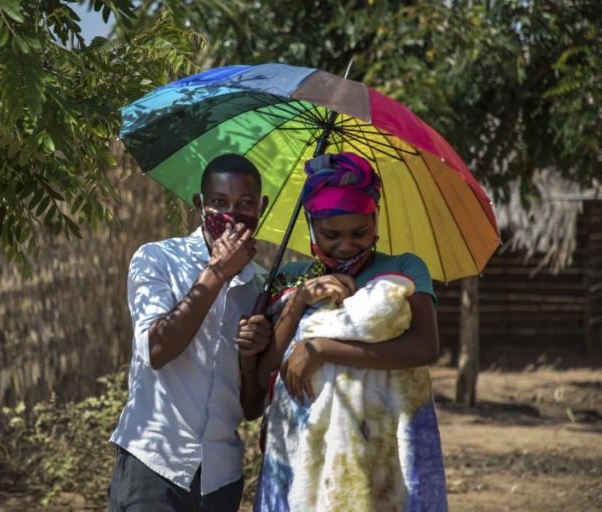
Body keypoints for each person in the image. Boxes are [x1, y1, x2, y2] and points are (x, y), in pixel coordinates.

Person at [254, 152, 448, 511]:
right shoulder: (291, 278)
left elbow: (424, 346)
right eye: (330, 235)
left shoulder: (404, 268)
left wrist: (322, 349)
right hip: (303, 458)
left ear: (375, 220)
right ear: (311, 227)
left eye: (359, 233)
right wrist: (298, 302)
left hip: (383, 451)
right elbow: (265, 373)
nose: (345, 246)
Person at [108, 153, 273, 512]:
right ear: (199, 204)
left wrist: (248, 360)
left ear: (262, 207)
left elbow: (250, 407)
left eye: (245, 204)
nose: (232, 215)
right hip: (153, 468)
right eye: (219, 203)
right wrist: (217, 272)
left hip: (221, 479)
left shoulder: (261, 287)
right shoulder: (157, 260)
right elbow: (156, 349)